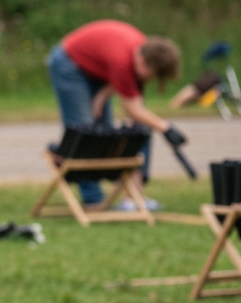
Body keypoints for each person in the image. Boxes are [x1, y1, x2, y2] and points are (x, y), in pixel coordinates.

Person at [46, 20, 186, 207]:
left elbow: (117, 74)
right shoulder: (123, 61)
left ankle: (133, 198)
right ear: (142, 62)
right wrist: (166, 128)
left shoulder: (142, 51)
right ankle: (92, 198)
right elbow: (134, 110)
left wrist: (102, 95)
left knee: (104, 133)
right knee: (86, 132)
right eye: (151, 75)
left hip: (95, 70)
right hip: (69, 63)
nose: (149, 80)